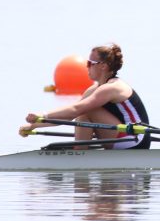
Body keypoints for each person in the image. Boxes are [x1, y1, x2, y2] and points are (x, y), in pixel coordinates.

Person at [20, 43, 151, 149]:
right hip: (120, 137)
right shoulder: (93, 90)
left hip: (135, 139)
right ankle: (80, 152)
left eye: (90, 63)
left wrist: (42, 116)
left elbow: (76, 110)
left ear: (103, 66)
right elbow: (70, 116)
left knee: (86, 110)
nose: (86, 67)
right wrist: (34, 125)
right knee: (83, 111)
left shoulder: (113, 87)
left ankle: (79, 154)